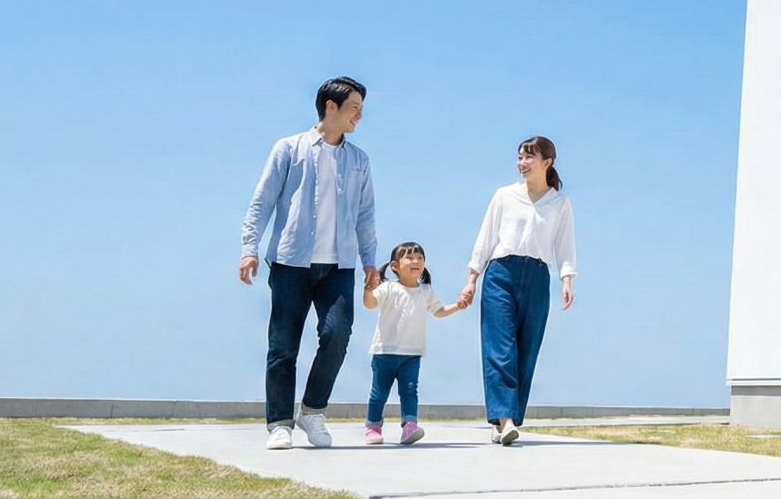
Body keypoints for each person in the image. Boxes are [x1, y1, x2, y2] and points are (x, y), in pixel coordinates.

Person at [239, 77, 380, 451]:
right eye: (355, 107)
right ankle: (280, 423)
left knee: (338, 334)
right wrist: (248, 247)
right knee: (283, 345)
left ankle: (313, 412)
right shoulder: (289, 149)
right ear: (330, 107)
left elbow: (365, 215)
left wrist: (370, 262)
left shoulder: (359, 160)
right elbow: (263, 201)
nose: (360, 115)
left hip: (339, 265)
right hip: (291, 262)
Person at [456, 136, 576, 446]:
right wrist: (472, 278)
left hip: (537, 276)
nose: (521, 163)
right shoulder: (504, 196)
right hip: (500, 274)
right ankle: (505, 419)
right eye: (519, 157)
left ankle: (501, 423)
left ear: (546, 163)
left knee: (527, 349)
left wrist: (566, 278)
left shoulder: (559, 203)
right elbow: (485, 238)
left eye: (528, 157)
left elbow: (565, 244)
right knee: (500, 348)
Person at [362, 241, 466, 445]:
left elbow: (438, 311)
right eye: (409, 257)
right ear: (395, 266)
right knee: (378, 393)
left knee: (409, 391)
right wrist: (367, 290)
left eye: (420, 258)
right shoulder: (388, 288)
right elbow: (370, 304)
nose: (416, 261)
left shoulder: (426, 291)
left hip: (412, 353)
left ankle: (409, 426)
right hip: (385, 352)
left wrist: (458, 305)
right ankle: (373, 427)